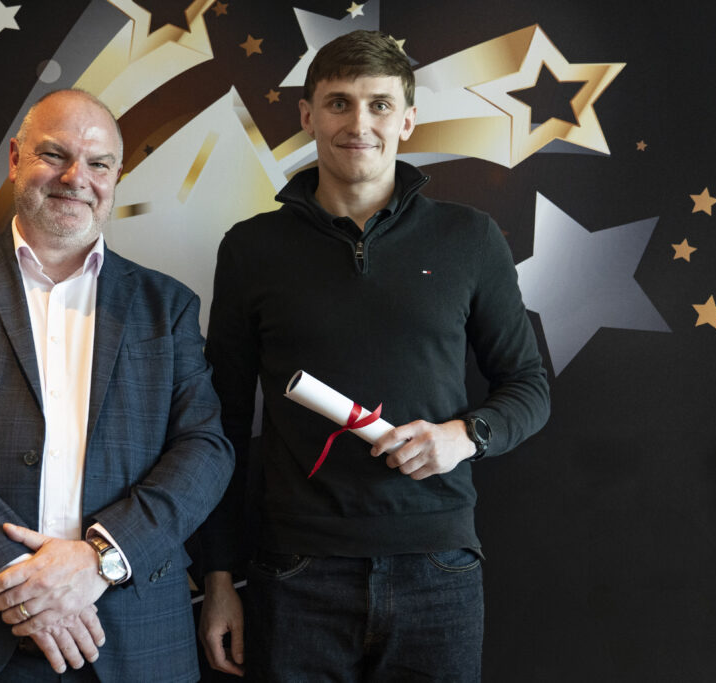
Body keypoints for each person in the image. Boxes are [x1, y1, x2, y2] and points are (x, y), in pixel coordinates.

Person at [197, 30, 550, 681]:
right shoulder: (251, 248)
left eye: (380, 105)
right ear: (307, 116)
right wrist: (218, 575)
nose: (359, 123)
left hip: (438, 568)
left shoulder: (468, 238)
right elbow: (219, 425)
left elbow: (529, 387)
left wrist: (463, 436)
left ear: (408, 119)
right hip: (293, 574)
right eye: (338, 103)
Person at [0, 89, 234, 683]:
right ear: (14, 160)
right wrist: (26, 580)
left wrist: (101, 558)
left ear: (117, 175)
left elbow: (206, 449)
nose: (75, 178)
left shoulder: (165, 305)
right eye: (53, 155)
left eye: (98, 164)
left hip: (130, 634)